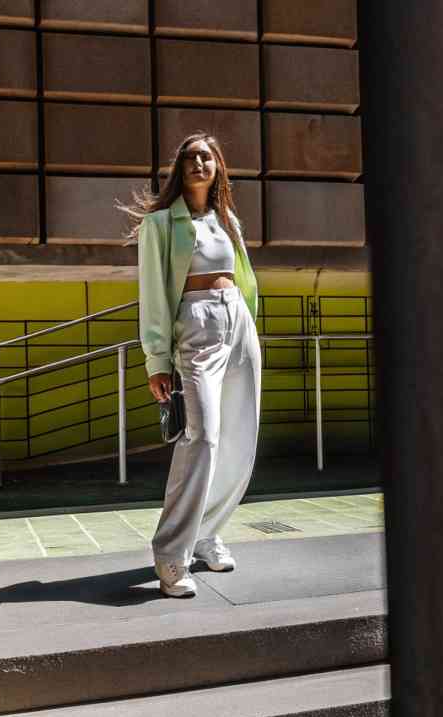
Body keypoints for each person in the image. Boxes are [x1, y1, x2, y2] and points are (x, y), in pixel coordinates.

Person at [120, 133, 261, 598]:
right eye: (190, 157)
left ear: (218, 166)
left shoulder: (228, 220)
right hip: (196, 325)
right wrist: (156, 360)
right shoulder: (161, 224)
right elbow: (154, 294)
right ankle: (171, 556)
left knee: (240, 438)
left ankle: (207, 533)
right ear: (179, 169)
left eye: (207, 156)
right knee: (202, 436)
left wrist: (247, 324)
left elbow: (243, 278)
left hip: (237, 322)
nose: (199, 162)